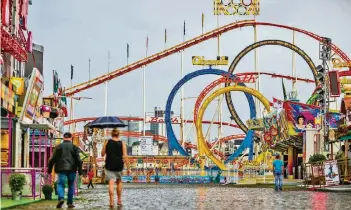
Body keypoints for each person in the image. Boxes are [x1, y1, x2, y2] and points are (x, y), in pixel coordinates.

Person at [48, 132, 82, 209]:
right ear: (71, 138)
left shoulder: (58, 147)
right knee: (71, 185)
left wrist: (49, 169)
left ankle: (61, 198)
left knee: (60, 184)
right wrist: (80, 170)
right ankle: (69, 203)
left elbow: (52, 159)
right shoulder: (74, 147)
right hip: (72, 169)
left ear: (63, 137)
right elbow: (79, 160)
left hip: (61, 169)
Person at [101, 128, 129, 207]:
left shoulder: (107, 142)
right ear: (118, 134)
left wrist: (105, 146)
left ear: (111, 134)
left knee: (111, 183)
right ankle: (119, 200)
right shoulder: (122, 143)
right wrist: (128, 167)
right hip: (119, 165)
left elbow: (102, 154)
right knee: (119, 182)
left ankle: (111, 202)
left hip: (109, 165)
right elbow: (125, 156)